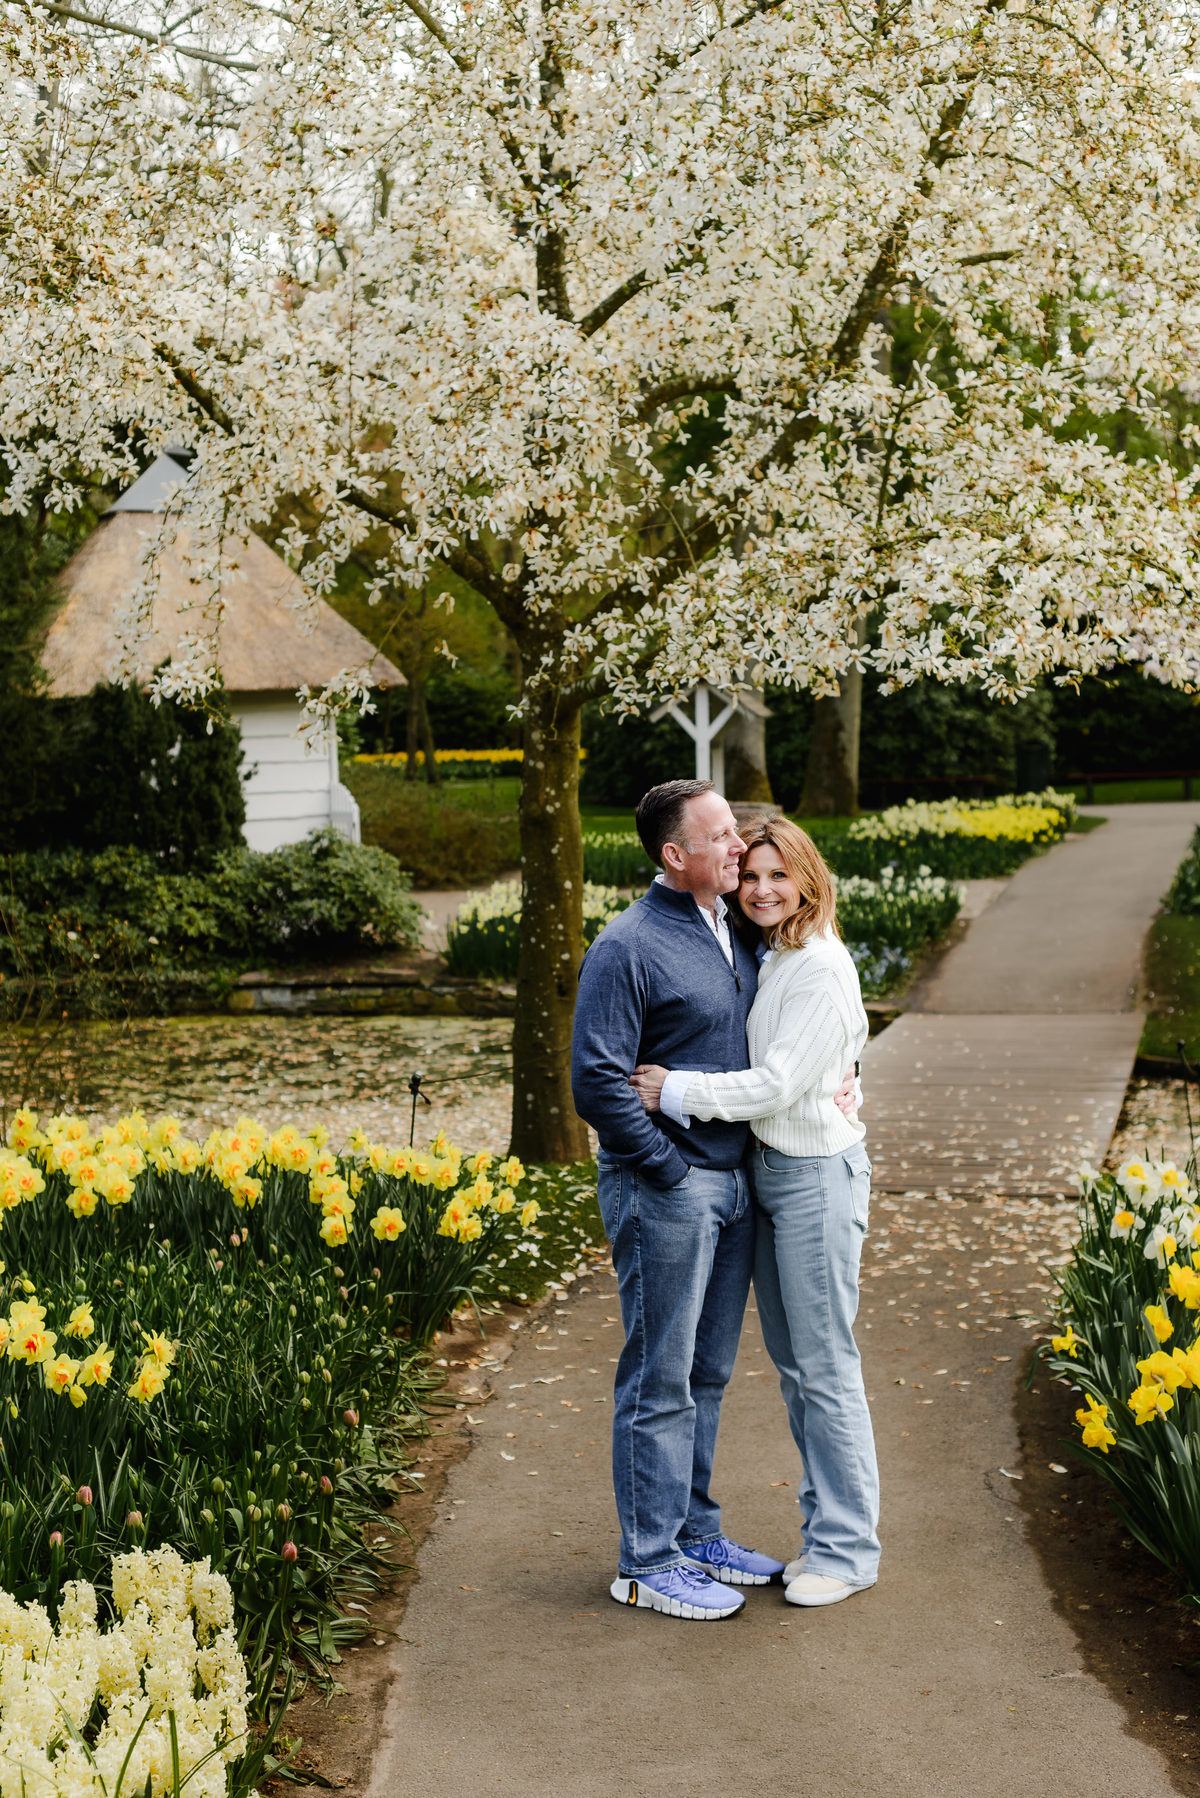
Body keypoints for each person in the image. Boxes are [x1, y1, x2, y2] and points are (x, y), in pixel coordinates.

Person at [630, 814, 881, 1609]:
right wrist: (848, 1069)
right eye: (752, 875)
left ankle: (846, 1551)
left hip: (813, 1178)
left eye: (780, 876)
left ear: (809, 879)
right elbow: (841, 1040)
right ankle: (825, 1537)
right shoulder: (771, 954)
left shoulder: (818, 964)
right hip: (772, 1172)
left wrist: (673, 1089)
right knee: (798, 1367)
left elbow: (774, 1081)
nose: (763, 889)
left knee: (823, 1369)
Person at [570, 779, 787, 1621]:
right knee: (659, 1376)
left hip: (733, 1185)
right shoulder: (626, 946)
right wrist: (665, 1168)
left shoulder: (730, 926)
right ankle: (644, 1562)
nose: (741, 847)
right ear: (675, 855)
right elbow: (597, 1079)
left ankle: (694, 1535)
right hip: (668, 1187)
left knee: (707, 1372)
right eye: (724, 836)